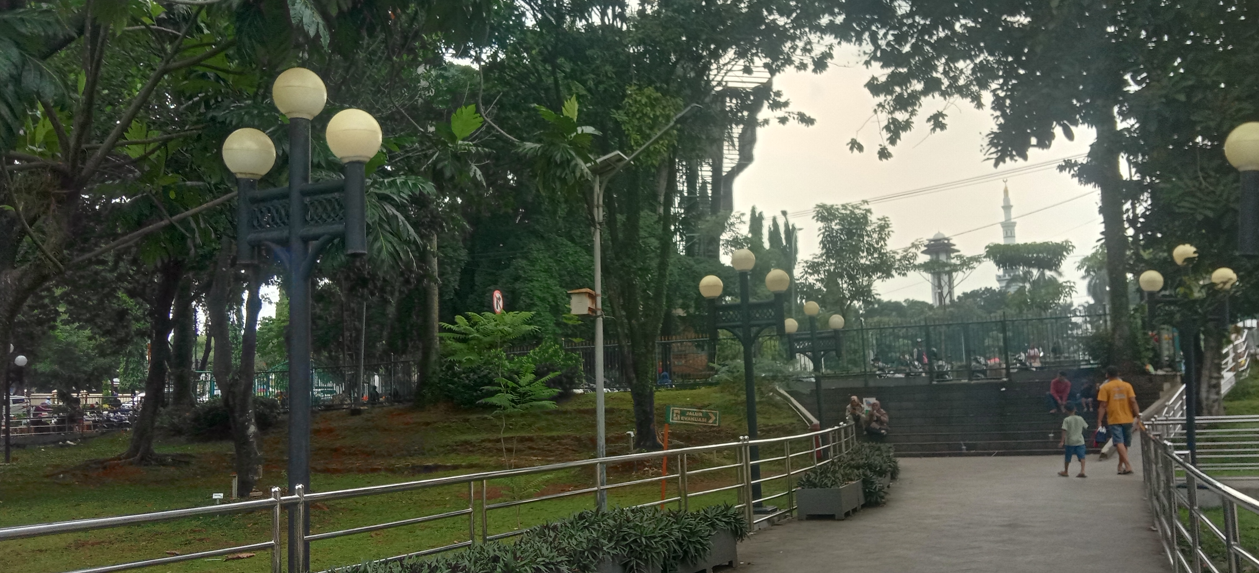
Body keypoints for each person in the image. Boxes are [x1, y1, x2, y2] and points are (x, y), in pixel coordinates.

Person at [1097, 366, 1141, 475]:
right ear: (1118, 374)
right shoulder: (1127, 385)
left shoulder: (1105, 387)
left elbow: (1102, 405)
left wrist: (1099, 421)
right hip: (1128, 418)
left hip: (1114, 419)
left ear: (1107, 375)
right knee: (1124, 443)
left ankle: (1127, 465)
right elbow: (1133, 401)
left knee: (1119, 442)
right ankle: (1121, 465)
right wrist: (1138, 416)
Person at [1058, 402, 1088, 478]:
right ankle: (1082, 470)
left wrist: (1062, 441)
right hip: (1080, 441)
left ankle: (1066, 471)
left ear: (1066, 410)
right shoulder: (1080, 418)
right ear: (1075, 409)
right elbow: (1086, 427)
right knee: (1082, 456)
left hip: (1070, 442)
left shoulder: (1066, 420)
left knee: (1068, 457)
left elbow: (1064, 430)